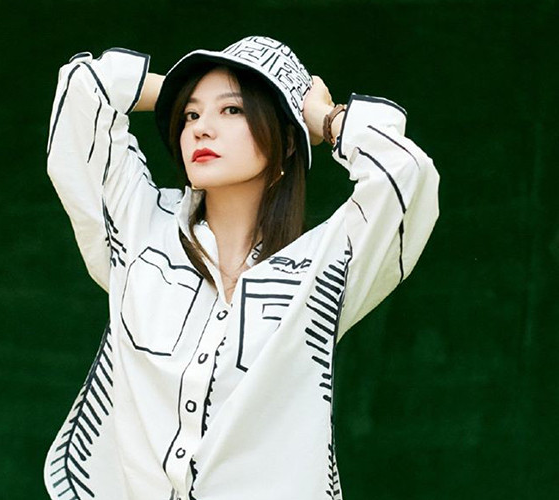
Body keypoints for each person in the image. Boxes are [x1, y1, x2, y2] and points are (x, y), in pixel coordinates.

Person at [43, 36, 439, 500]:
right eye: (190, 115)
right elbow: (84, 89)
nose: (201, 129)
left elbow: (405, 173)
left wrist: (321, 117)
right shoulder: (138, 228)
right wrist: (178, 89)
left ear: (286, 141)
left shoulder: (319, 271)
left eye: (232, 110)